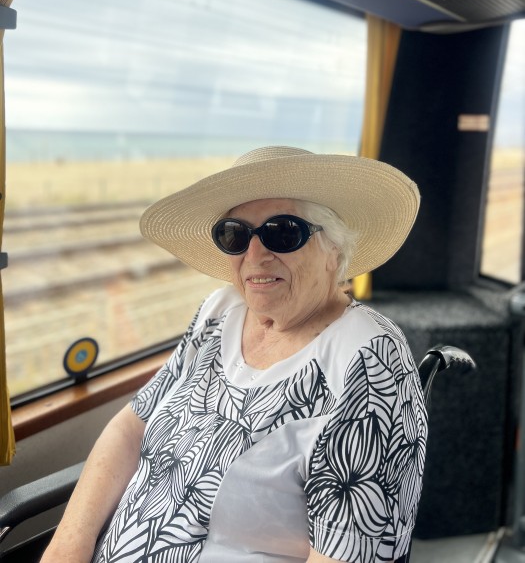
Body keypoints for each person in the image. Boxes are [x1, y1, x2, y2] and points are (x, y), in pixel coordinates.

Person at [41, 145, 427, 563]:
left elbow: (347, 550)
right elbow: (132, 427)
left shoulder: (368, 359)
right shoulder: (220, 311)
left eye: (283, 232)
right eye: (235, 235)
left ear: (334, 248)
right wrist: (68, 546)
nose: (255, 255)